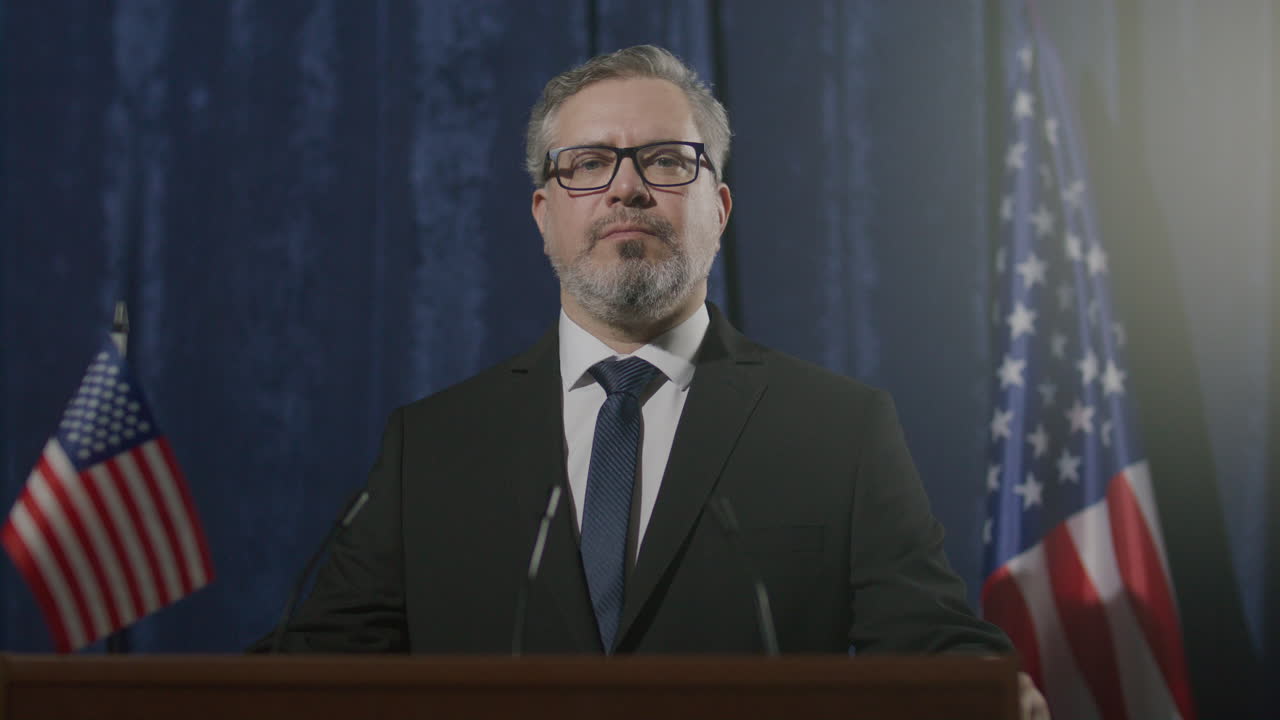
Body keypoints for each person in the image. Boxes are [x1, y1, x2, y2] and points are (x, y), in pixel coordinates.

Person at [270, 44, 1048, 719]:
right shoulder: (434, 445)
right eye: (588, 164)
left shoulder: (837, 429)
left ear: (721, 206)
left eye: (668, 161)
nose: (626, 188)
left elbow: (929, 639)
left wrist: (985, 687)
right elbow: (318, 665)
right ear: (544, 214)